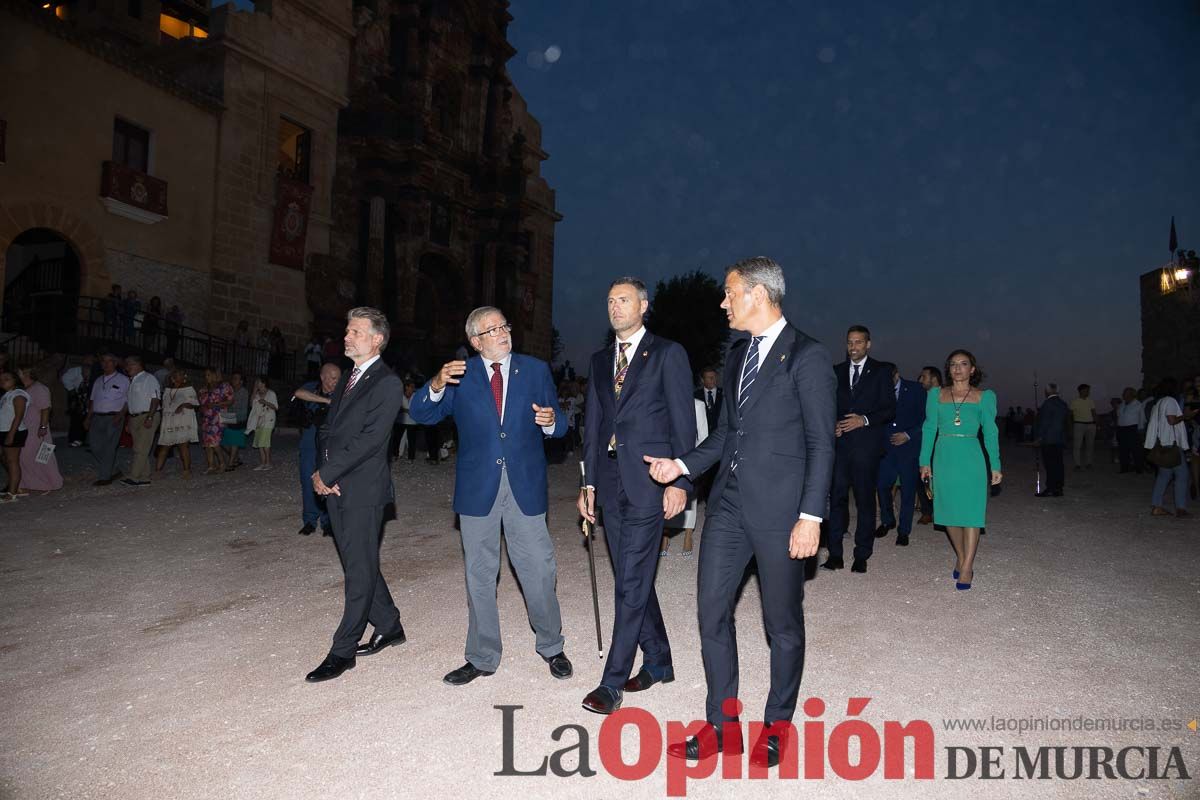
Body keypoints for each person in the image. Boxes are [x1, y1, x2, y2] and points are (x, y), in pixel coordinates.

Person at [646, 257, 835, 769]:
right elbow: (729, 432)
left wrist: (811, 516)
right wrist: (682, 464)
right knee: (711, 612)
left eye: (729, 293)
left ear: (757, 294)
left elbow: (822, 443)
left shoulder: (808, 356)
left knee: (781, 625)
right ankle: (722, 726)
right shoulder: (736, 355)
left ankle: (778, 726)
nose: (723, 302)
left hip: (781, 512)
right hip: (728, 506)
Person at [411, 306, 572, 687]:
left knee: (538, 569)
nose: (502, 333)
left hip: (525, 486)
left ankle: (552, 645)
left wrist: (551, 423)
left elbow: (561, 423)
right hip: (477, 488)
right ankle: (482, 656)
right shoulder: (458, 377)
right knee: (480, 574)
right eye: (492, 329)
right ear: (475, 341)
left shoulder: (534, 370)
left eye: (504, 326)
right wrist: (435, 385)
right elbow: (421, 414)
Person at [576, 278, 695, 715]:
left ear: (644, 306)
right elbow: (593, 427)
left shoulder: (667, 353)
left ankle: (611, 684)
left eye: (623, 299)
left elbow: (684, 424)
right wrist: (587, 484)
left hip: (650, 482)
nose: (615, 306)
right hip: (609, 483)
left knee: (629, 582)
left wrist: (681, 483)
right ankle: (660, 660)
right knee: (634, 577)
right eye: (609, 300)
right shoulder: (599, 360)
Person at [305, 307, 407, 683]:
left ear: (377, 339)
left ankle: (343, 650)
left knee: (358, 567)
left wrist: (329, 472)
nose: (347, 337)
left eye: (356, 332)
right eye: (347, 331)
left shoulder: (387, 383)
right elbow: (328, 431)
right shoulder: (349, 376)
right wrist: (321, 472)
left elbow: (371, 440)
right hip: (335, 484)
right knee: (357, 561)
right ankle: (390, 625)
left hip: (362, 488)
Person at [918, 350, 1002, 591]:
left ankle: (967, 566)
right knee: (947, 513)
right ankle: (962, 554)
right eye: (953, 364)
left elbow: (991, 432)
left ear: (972, 370)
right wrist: (925, 461)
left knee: (972, 513)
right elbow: (928, 429)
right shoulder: (936, 395)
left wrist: (995, 465)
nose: (958, 368)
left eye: (964, 364)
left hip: (971, 457)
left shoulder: (984, 397)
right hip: (944, 457)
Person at [823, 325, 896, 573]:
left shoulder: (881, 371)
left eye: (858, 342)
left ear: (868, 344)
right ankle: (835, 555)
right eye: (849, 342)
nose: (853, 347)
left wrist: (863, 420)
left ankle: (862, 555)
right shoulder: (837, 371)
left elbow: (889, 408)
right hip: (841, 448)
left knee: (865, 502)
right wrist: (833, 424)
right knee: (837, 500)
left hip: (867, 448)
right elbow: (828, 405)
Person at [874, 366, 924, 546]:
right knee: (881, 486)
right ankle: (888, 520)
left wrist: (908, 434)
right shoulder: (879, 391)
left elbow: (927, 419)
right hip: (886, 450)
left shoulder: (916, 389)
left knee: (908, 491)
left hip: (909, 449)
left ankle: (904, 531)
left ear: (896, 374)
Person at [292, 362, 341, 536]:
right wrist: (326, 400)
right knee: (307, 480)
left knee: (327, 480)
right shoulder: (312, 388)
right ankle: (310, 521)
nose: (336, 382)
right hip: (308, 442)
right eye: (333, 378)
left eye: (338, 378)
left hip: (329, 443)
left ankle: (328, 522)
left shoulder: (341, 392)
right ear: (323, 377)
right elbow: (298, 393)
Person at [661, 397, 709, 556]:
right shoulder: (664, 400)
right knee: (665, 496)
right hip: (667, 457)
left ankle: (688, 534)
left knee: (690, 499)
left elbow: (704, 437)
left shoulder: (698, 405)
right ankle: (665, 534)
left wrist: (698, 464)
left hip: (691, 459)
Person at [1146, 378, 1192, 517]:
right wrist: (1186, 416)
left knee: (1163, 476)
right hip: (1172, 445)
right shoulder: (1170, 401)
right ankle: (1181, 508)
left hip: (1162, 444)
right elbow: (1171, 420)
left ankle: (1157, 506)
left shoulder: (1158, 403)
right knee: (1182, 475)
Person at [85, 353, 130, 486]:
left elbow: (128, 400)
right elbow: (93, 400)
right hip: (97, 416)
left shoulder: (123, 380)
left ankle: (105, 477)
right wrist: (88, 417)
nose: (105, 364)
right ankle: (114, 468)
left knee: (109, 447)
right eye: (103, 361)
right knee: (94, 446)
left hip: (114, 416)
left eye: (109, 361)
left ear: (115, 363)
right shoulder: (98, 380)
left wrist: (120, 415)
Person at [122, 355, 161, 487]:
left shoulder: (149, 378)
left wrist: (150, 416)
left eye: (129, 364)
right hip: (134, 417)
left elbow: (155, 399)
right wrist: (128, 421)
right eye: (126, 365)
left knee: (141, 448)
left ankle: (134, 476)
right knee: (139, 448)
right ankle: (145, 477)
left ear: (139, 364)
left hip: (148, 415)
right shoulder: (132, 380)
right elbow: (131, 402)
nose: (127, 368)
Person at [155, 369, 198, 479]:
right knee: (165, 445)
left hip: (182, 419)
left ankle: (187, 470)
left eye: (180, 374)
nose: (178, 376)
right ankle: (158, 471)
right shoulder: (167, 390)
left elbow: (193, 404)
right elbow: (164, 405)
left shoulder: (188, 388)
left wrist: (183, 405)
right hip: (169, 420)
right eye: (176, 374)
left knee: (183, 445)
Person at [915, 366, 943, 524]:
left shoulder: (943, 395)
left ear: (933, 379)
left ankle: (938, 511)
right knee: (923, 477)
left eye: (923, 377)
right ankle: (927, 511)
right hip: (924, 442)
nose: (920, 380)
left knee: (939, 478)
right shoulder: (923, 396)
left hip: (940, 442)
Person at [1034, 383, 1069, 497]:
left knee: (1050, 464)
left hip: (1048, 439)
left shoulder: (1047, 404)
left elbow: (1044, 423)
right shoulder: (1063, 404)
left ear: (1047, 391)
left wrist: (1039, 437)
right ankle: (1059, 488)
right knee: (1059, 464)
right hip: (1059, 439)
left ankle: (1050, 488)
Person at [0, 370, 31, 502]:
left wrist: (11, 435)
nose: (2, 381)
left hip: (14, 431)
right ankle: (16, 487)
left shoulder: (19, 395)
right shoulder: (7, 394)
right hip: (4, 430)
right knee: (5, 459)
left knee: (12, 462)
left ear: (15, 380)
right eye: (0, 379)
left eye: (7, 378)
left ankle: (12, 493)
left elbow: (18, 417)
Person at [197, 368, 232, 474]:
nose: (206, 377)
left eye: (208, 374)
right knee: (207, 442)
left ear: (214, 375)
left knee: (214, 441)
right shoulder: (203, 390)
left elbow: (230, 401)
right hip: (207, 418)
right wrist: (202, 408)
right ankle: (211, 465)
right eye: (205, 375)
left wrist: (216, 405)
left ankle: (222, 463)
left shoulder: (224, 386)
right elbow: (201, 404)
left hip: (219, 417)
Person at [245, 376, 278, 471]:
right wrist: (254, 392)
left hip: (268, 420)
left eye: (258, 383)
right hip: (258, 420)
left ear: (264, 383)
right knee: (259, 442)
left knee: (265, 442)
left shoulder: (271, 393)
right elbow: (251, 405)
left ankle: (268, 463)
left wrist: (265, 402)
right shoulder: (257, 394)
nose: (256, 384)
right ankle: (263, 463)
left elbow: (275, 407)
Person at [62, 354, 95, 447]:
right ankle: (74, 439)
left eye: (90, 363)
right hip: (76, 395)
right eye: (86, 363)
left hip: (89, 396)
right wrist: (73, 393)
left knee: (88, 418)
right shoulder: (74, 371)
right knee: (76, 418)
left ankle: (83, 439)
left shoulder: (95, 371)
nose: (87, 365)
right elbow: (65, 379)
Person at [221, 370, 249, 470]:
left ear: (241, 381)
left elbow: (233, 405)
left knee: (234, 441)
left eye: (236, 378)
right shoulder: (230, 390)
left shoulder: (243, 392)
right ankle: (236, 458)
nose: (233, 380)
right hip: (228, 416)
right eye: (233, 378)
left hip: (238, 418)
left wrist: (225, 403)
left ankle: (231, 463)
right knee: (221, 440)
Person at [1116, 387, 1145, 475]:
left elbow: (1142, 417)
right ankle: (1124, 468)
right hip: (1122, 429)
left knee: (1135, 450)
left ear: (1132, 394)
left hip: (1132, 429)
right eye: (1124, 393)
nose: (1124, 394)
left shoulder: (1138, 404)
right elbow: (1119, 416)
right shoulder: (1122, 405)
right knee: (1123, 450)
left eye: (1126, 393)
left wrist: (1140, 429)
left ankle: (1139, 469)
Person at [1070, 383, 1096, 470]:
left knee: (1090, 445)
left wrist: (1096, 424)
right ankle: (1077, 464)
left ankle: (1089, 463)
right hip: (1079, 424)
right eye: (1087, 390)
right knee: (1077, 446)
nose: (1088, 392)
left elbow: (1093, 412)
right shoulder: (1074, 401)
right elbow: (1070, 415)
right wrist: (1070, 426)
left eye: (1088, 390)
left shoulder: (1090, 401)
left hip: (1091, 424)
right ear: (1081, 391)